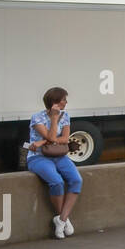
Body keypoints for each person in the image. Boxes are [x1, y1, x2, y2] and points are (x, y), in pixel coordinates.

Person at [27, 87, 82, 239]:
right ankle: (64, 219)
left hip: (59, 155)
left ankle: (62, 220)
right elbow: (52, 138)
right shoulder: (37, 117)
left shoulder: (66, 116)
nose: (66, 102)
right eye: (63, 99)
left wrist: (42, 141)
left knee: (76, 180)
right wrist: (54, 119)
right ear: (54, 102)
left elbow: (65, 139)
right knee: (57, 182)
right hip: (38, 157)